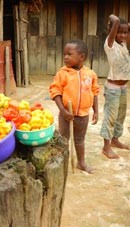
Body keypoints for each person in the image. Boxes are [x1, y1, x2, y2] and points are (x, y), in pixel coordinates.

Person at [49, 39, 99, 173]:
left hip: (83, 115)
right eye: (64, 54)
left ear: (81, 57)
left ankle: (81, 163)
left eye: (69, 54)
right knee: (63, 140)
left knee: (80, 140)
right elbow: (55, 92)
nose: (65, 57)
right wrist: (63, 111)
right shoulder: (62, 73)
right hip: (66, 115)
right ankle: (61, 165)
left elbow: (94, 92)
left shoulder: (90, 74)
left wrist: (96, 111)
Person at [100, 14, 130, 159]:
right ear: (112, 32)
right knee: (110, 117)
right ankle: (106, 147)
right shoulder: (110, 44)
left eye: (125, 32)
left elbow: (125, 28)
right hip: (112, 88)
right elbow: (116, 21)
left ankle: (115, 140)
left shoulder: (123, 44)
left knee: (120, 116)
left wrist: (124, 26)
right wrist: (114, 21)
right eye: (119, 32)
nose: (123, 35)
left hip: (124, 87)